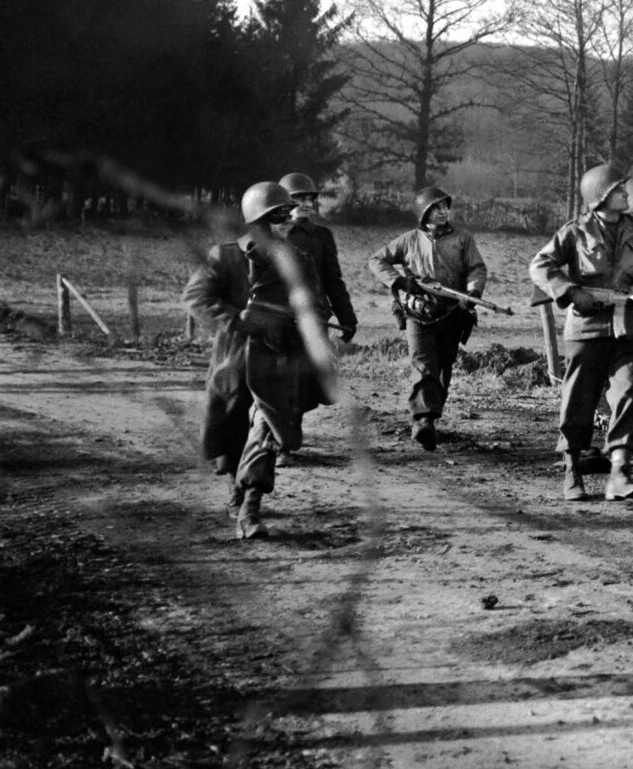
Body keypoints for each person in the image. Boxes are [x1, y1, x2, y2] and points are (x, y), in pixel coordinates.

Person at [184, 181, 322, 539]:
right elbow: (196, 297)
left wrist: (298, 326)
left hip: (276, 361)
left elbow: (314, 307)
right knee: (230, 433)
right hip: (233, 359)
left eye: (288, 215)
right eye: (279, 217)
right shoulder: (225, 256)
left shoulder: (299, 261)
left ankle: (251, 507)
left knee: (266, 430)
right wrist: (237, 320)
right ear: (258, 221)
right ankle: (236, 489)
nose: (288, 223)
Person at [530, 163, 633, 501]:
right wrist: (571, 292)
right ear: (601, 196)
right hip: (586, 328)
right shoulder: (576, 231)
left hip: (626, 328)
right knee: (579, 401)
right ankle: (572, 471)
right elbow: (540, 265)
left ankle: (620, 473)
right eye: (620, 190)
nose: (627, 195)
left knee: (630, 395)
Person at [369, 186, 488, 451]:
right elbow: (376, 260)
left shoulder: (463, 239)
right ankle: (423, 420)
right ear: (424, 213)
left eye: (445, 206)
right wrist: (400, 281)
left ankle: (432, 414)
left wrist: (472, 292)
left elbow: (476, 268)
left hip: (453, 313)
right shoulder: (409, 240)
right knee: (423, 364)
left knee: (444, 366)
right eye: (436, 208)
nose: (443, 211)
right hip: (417, 312)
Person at [279, 172, 358, 347]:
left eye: (309, 199)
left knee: (312, 371)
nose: (306, 204)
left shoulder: (321, 236)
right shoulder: (271, 235)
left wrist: (347, 318)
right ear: (284, 202)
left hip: (315, 315)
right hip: (277, 315)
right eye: (299, 199)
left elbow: (333, 280)